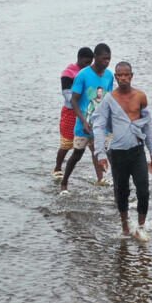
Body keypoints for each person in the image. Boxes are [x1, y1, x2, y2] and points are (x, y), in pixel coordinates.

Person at [93, 61, 152, 240]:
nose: (123, 78)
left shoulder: (140, 96)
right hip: (118, 153)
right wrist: (100, 153)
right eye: (119, 75)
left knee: (143, 191)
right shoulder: (109, 99)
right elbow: (99, 125)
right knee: (121, 191)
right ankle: (124, 225)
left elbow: (147, 126)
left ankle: (140, 226)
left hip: (137, 151)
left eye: (126, 75)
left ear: (131, 75)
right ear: (115, 77)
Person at [61, 43, 114, 194]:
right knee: (77, 154)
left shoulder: (109, 75)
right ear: (95, 58)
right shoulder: (82, 75)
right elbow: (74, 100)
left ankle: (102, 180)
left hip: (101, 125)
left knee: (103, 152)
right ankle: (64, 183)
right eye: (104, 59)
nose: (107, 62)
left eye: (109, 59)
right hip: (84, 124)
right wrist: (83, 121)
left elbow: (109, 98)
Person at [55, 46, 94, 178]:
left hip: (86, 111)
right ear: (79, 59)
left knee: (93, 144)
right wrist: (81, 101)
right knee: (66, 143)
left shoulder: (89, 73)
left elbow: (91, 91)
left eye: (90, 63)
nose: (87, 65)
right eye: (85, 62)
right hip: (71, 112)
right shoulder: (68, 73)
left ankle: (100, 177)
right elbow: (67, 94)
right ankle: (57, 168)